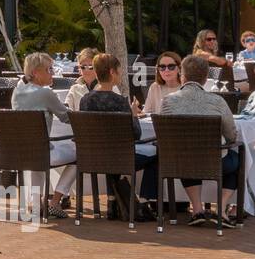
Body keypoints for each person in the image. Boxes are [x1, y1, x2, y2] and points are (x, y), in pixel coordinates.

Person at [161, 54, 240, 227]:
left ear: (183, 75)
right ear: (205, 79)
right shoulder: (217, 101)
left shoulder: (168, 101)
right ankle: (221, 207)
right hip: (214, 161)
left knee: (188, 155)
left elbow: (167, 135)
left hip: (181, 162)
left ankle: (197, 209)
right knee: (237, 160)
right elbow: (231, 135)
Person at [80, 53, 156, 219]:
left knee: (110, 151)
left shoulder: (85, 100)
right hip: (120, 158)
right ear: (112, 72)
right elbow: (136, 134)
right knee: (157, 155)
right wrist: (134, 114)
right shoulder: (120, 102)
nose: (121, 74)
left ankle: (113, 202)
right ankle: (143, 202)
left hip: (93, 157)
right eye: (120, 71)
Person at [12, 52, 76, 219]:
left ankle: (36, 202)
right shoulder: (45, 93)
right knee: (80, 153)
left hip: (20, 152)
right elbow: (67, 117)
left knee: (38, 150)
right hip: (41, 152)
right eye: (48, 69)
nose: (52, 73)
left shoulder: (17, 92)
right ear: (35, 73)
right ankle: (54, 202)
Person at [66, 47, 100, 111]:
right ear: (79, 69)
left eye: (90, 66)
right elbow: (67, 112)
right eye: (83, 67)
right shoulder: (74, 89)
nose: (87, 70)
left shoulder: (108, 86)